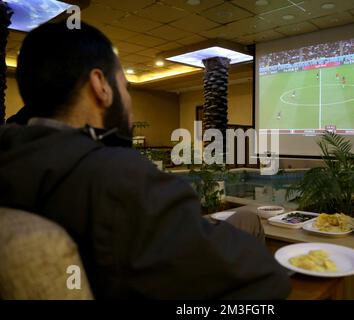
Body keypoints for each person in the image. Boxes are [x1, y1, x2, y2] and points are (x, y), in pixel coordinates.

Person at [0, 22, 291, 300]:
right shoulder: (115, 175)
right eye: (125, 87)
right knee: (249, 226)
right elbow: (265, 277)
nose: (128, 100)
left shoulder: (16, 160)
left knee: (244, 217)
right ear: (100, 85)